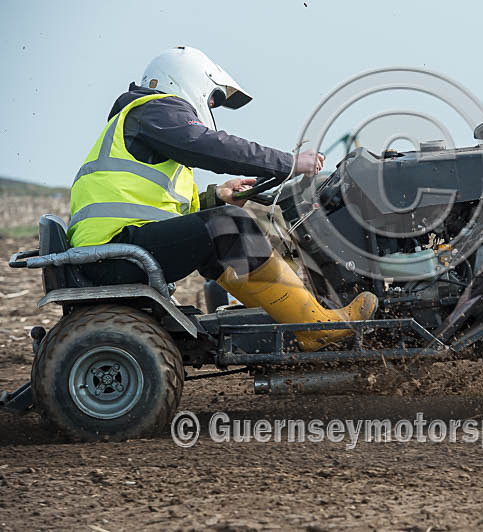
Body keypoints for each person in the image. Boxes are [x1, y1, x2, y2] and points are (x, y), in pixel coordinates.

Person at [68, 46, 377, 351]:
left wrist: (216, 196)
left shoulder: (142, 120)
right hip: (114, 253)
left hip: (116, 248)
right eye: (213, 98)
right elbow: (209, 146)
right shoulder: (155, 109)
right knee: (230, 226)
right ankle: (316, 328)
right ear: (189, 82)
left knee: (221, 237)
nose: (211, 106)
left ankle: (296, 318)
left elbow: (159, 207)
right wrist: (289, 162)